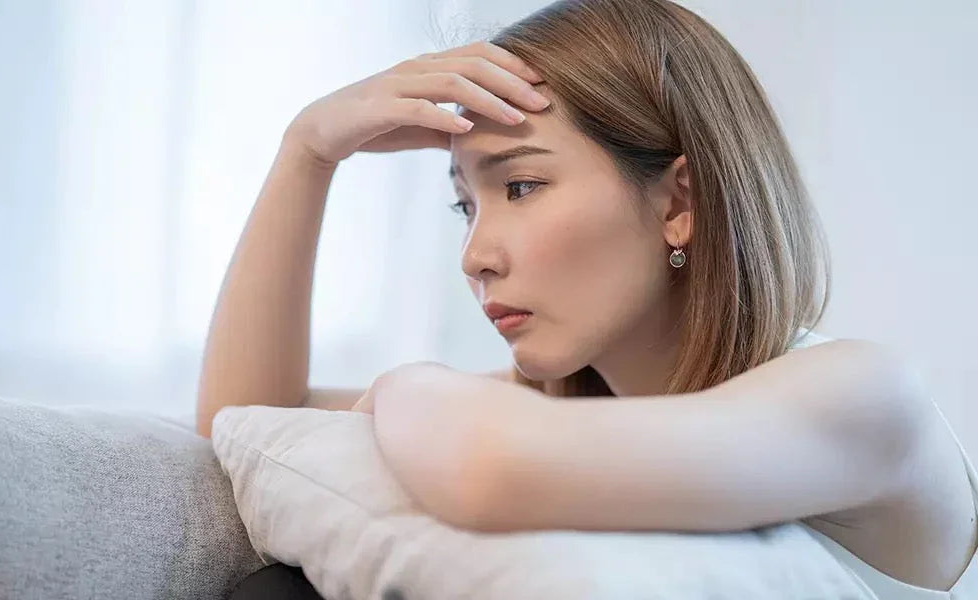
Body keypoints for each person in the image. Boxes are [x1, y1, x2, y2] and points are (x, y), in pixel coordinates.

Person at [199, 0, 978, 598]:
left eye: (522, 185)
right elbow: (244, 422)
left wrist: (409, 382)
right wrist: (307, 152)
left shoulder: (868, 399)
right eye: (465, 206)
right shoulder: (572, 408)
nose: (474, 257)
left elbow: (486, 469)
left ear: (681, 202)